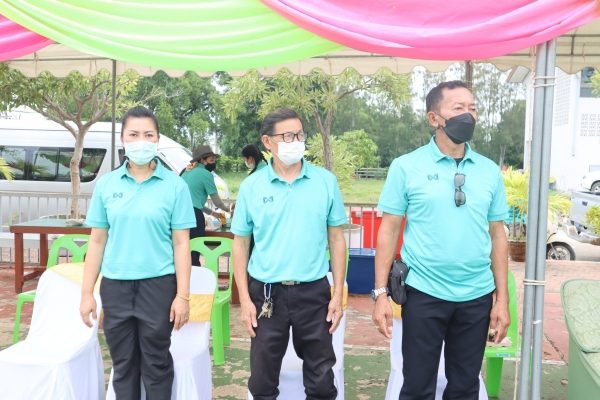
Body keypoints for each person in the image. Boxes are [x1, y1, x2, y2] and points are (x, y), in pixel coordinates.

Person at [372, 81, 510, 399]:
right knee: (417, 386)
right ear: (434, 118)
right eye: (458, 108)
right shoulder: (406, 166)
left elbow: (497, 235)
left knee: (465, 387)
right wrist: (380, 293)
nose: (468, 115)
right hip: (423, 293)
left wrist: (501, 300)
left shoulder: (489, 171)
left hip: (476, 295)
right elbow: (388, 231)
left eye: (472, 108)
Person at [79, 106, 196, 399]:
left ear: (157, 140)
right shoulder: (106, 185)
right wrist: (86, 293)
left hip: (158, 287)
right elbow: (97, 242)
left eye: (148, 135)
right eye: (133, 134)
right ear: (122, 139)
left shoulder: (175, 186)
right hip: (115, 287)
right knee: (123, 364)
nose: (141, 141)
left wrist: (183, 296)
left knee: (156, 363)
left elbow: (182, 244)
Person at [231, 107, 347, 400]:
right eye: (287, 136)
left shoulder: (325, 181)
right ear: (267, 141)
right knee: (262, 381)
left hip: (314, 292)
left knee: (322, 383)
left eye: (299, 135)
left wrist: (337, 294)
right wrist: (244, 300)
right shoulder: (251, 186)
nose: (296, 141)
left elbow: (336, 239)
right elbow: (240, 244)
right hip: (266, 295)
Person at [180, 145, 233, 266]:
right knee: (195, 250)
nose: (213, 163)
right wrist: (228, 209)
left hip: (179, 215)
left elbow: (194, 202)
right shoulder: (205, 174)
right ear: (202, 160)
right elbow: (217, 202)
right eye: (211, 160)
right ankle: (195, 276)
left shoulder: (186, 172)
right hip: (194, 217)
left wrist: (213, 213)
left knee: (183, 251)